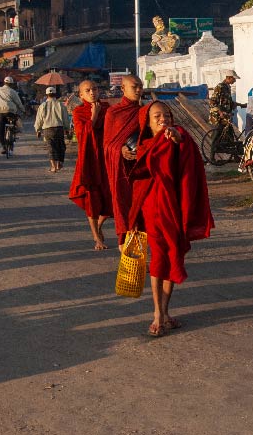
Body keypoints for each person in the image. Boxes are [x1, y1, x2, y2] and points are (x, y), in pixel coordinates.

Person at [125, 100, 214, 337]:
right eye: (156, 116)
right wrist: (126, 155)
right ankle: (157, 313)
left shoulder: (178, 136)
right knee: (159, 258)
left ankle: (165, 312)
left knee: (174, 253)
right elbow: (135, 179)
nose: (163, 118)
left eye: (166, 114)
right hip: (153, 208)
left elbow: (187, 152)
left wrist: (178, 140)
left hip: (175, 207)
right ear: (147, 122)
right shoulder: (143, 145)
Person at [69, 80, 113, 250]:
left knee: (110, 196)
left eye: (94, 89)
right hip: (89, 159)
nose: (92, 92)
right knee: (92, 198)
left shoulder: (107, 108)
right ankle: (97, 237)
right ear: (81, 95)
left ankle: (100, 226)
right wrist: (94, 116)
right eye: (87, 90)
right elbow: (82, 134)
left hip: (106, 157)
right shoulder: (79, 112)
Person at [104, 75, 144, 246]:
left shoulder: (145, 111)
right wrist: (120, 149)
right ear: (123, 88)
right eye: (134, 86)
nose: (138, 90)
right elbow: (106, 144)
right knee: (123, 205)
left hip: (141, 167)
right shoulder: (113, 112)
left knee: (141, 208)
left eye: (140, 86)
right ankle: (124, 246)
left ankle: (139, 254)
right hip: (121, 168)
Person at [35, 86, 70, 173]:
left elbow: (39, 119)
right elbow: (66, 119)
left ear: (46, 95)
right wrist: (67, 129)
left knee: (51, 147)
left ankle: (53, 167)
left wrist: (38, 130)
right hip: (59, 129)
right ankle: (59, 164)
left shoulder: (42, 106)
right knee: (61, 146)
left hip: (47, 130)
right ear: (55, 94)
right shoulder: (61, 105)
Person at [0, 76, 24, 154]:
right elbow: (18, 102)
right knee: (14, 123)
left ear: (4, 83)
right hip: (10, 111)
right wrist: (23, 110)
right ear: (11, 84)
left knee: (1, 131)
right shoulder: (13, 91)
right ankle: (13, 132)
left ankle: (3, 147)